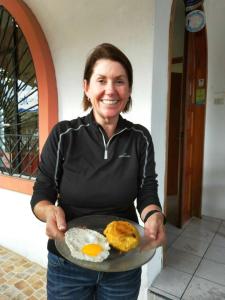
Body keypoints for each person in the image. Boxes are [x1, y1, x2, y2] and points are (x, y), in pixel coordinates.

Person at [30, 43, 166, 300]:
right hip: (67, 263)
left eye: (120, 81)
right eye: (101, 80)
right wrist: (49, 211)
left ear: (129, 89)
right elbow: (41, 193)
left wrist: (153, 215)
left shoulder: (140, 138)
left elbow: (147, 191)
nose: (110, 90)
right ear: (87, 87)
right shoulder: (63, 135)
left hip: (123, 263)